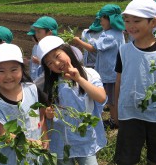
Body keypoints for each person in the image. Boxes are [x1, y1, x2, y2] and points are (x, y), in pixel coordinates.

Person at [114, 0, 156, 165]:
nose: (130, 25)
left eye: (136, 21)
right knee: (126, 158)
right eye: (127, 21)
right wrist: (116, 108)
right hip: (130, 112)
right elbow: (119, 81)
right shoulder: (124, 50)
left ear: (153, 22)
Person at [36, 35, 107, 165]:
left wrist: (79, 79)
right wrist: (48, 114)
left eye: (57, 56)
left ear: (67, 51)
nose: (56, 63)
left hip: (84, 139)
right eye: (50, 63)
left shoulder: (90, 74)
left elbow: (101, 97)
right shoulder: (46, 84)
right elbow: (42, 113)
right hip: (60, 141)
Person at [0, 43, 49, 165]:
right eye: (1, 71)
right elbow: (4, 135)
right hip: (9, 159)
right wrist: (31, 143)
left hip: (34, 156)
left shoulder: (32, 89)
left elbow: (41, 115)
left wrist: (44, 137)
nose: (8, 76)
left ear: (22, 70)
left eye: (14, 70)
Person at [73, 4, 125, 129]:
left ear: (109, 19)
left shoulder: (110, 35)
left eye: (102, 18)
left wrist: (78, 41)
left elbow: (93, 49)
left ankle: (115, 121)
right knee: (111, 98)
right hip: (112, 72)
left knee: (112, 100)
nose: (100, 21)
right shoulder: (117, 33)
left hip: (110, 73)